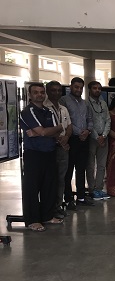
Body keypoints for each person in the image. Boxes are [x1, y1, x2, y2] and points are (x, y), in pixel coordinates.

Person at [20, 83, 64, 231]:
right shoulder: (28, 111)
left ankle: (47, 215)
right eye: (36, 92)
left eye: (41, 92)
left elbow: (59, 130)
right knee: (32, 186)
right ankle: (33, 220)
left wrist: (42, 131)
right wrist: (46, 131)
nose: (39, 95)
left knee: (49, 185)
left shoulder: (48, 111)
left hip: (50, 151)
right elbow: (45, 131)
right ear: (30, 95)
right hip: (34, 153)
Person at [60, 77, 94, 208]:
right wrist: (80, 132)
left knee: (81, 169)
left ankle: (81, 197)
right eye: (76, 87)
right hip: (71, 139)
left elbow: (89, 119)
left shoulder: (85, 103)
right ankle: (68, 199)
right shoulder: (64, 101)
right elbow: (65, 121)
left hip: (84, 139)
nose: (78, 90)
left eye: (81, 88)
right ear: (71, 87)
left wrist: (87, 130)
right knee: (69, 170)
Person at [44, 81, 72, 219]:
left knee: (61, 178)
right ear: (47, 91)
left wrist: (66, 137)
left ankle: (58, 205)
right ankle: (49, 207)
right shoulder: (44, 108)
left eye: (59, 90)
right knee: (50, 178)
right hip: (49, 148)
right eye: (53, 90)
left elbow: (69, 126)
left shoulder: (63, 109)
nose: (56, 93)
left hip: (63, 148)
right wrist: (59, 140)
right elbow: (44, 129)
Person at [86, 81, 111, 201]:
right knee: (90, 165)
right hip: (91, 138)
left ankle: (99, 188)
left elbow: (108, 120)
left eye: (99, 88)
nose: (97, 90)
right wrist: (97, 137)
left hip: (104, 138)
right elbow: (88, 122)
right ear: (89, 90)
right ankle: (91, 189)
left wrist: (104, 135)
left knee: (102, 165)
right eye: (94, 88)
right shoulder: (86, 104)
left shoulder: (103, 103)